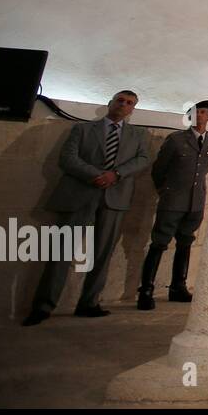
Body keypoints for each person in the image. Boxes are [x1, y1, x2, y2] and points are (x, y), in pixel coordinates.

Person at [23, 90, 151, 325]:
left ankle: (89, 302)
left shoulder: (137, 135)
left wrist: (116, 174)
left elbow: (142, 160)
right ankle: (43, 305)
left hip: (114, 197)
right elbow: (68, 158)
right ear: (110, 103)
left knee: (102, 253)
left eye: (129, 103)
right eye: (120, 100)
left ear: (133, 109)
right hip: (80, 194)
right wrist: (96, 175)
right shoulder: (82, 130)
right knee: (62, 252)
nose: (123, 105)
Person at [139, 100, 208, 310]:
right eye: (195, 112)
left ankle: (178, 286)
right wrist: (166, 191)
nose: (199, 116)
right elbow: (159, 169)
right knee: (159, 243)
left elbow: (204, 168)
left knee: (185, 242)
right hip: (173, 199)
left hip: (195, 201)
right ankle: (146, 289)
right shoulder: (176, 140)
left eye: (203, 112)